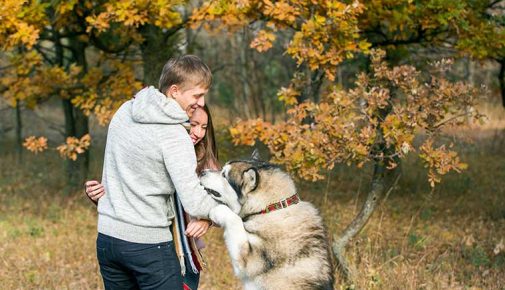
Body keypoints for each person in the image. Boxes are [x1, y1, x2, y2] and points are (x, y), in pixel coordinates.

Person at [89, 55, 220, 289]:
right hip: (147, 245)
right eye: (197, 95)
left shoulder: (124, 111)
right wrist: (226, 211)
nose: (201, 103)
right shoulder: (174, 135)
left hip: (107, 240)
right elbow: (194, 201)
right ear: (175, 90)